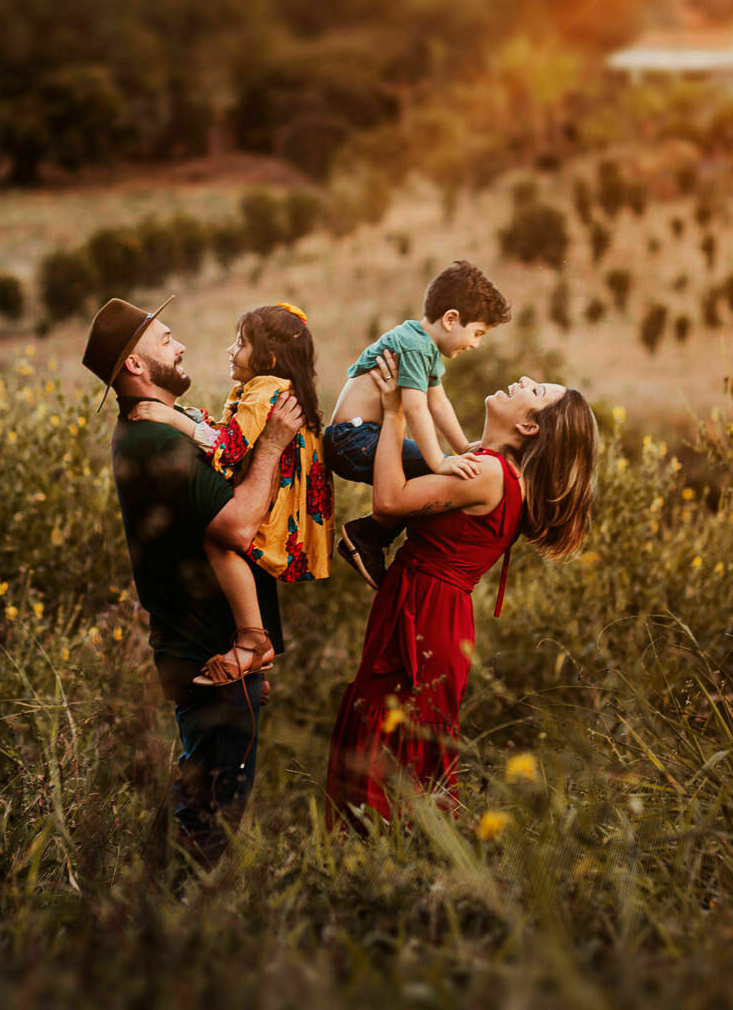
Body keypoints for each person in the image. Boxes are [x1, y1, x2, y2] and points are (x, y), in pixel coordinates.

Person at [325, 347, 599, 830]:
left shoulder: (490, 474)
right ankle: (384, 878)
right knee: (396, 749)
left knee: (388, 754)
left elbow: (390, 502)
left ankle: (375, 879)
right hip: (430, 610)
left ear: (530, 427)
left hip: (425, 618)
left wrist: (392, 414)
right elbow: (437, 412)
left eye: (535, 391)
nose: (524, 377)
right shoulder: (490, 466)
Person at [82, 295, 304, 863]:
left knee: (194, 798)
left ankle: (145, 913)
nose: (179, 346)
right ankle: (175, 932)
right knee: (210, 827)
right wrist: (275, 445)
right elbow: (236, 526)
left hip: (211, 654)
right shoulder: (156, 440)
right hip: (214, 657)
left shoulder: (156, 430)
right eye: (164, 339)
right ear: (135, 365)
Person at [126, 302, 334, 685]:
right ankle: (256, 649)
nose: (230, 351)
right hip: (277, 496)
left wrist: (175, 418)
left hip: (274, 505)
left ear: (268, 357)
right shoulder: (261, 388)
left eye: (240, 343)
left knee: (219, 541)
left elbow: (231, 446)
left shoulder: (264, 391)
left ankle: (253, 641)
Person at [326, 260, 513, 589]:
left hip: (359, 437)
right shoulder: (414, 346)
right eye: (477, 333)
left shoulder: (421, 345)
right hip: (352, 439)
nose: (476, 344)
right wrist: (440, 461)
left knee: (436, 472)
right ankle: (366, 534)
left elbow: (438, 402)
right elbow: (414, 408)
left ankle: (370, 533)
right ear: (451, 319)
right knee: (430, 474)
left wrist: (463, 448)